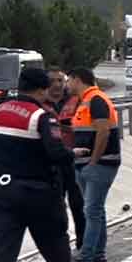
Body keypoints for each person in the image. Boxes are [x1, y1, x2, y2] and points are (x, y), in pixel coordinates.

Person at [0, 68, 86, 262]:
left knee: (3, 243)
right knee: (53, 237)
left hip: (2, 190)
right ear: (42, 89)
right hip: (38, 191)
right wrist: (72, 154)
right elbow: (55, 153)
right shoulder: (41, 117)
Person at [68, 68, 121, 262]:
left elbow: (103, 131)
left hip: (99, 164)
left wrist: (94, 161)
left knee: (91, 211)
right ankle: (98, 254)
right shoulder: (85, 101)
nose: (67, 85)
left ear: (77, 80)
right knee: (96, 211)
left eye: (68, 80)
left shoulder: (96, 100)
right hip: (87, 164)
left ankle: (86, 257)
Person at [47, 69, 86, 250]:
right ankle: (60, 246)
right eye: (52, 81)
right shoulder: (41, 104)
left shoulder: (76, 101)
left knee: (79, 204)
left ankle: (83, 243)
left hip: (75, 160)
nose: (57, 84)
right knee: (56, 207)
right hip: (53, 163)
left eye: (60, 80)